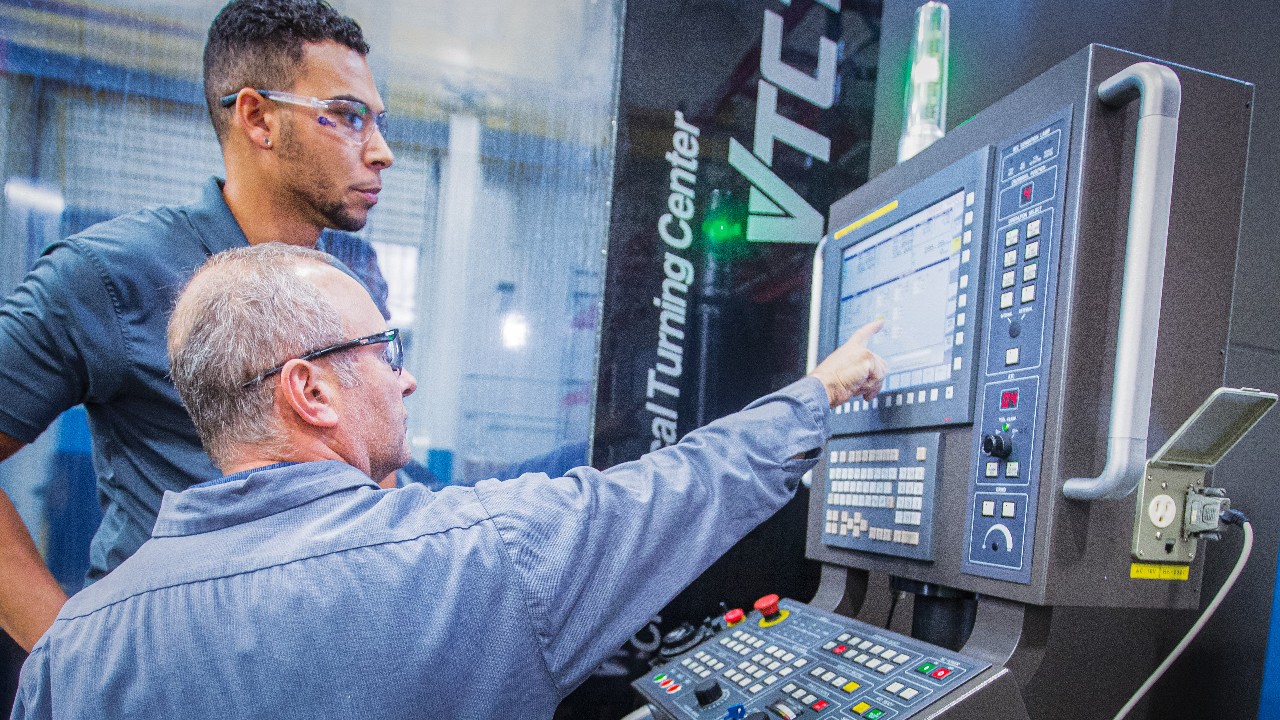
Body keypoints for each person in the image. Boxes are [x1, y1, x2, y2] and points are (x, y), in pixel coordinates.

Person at [11, 244, 887, 719]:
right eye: (384, 351)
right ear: (308, 389)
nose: (406, 379)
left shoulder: (70, 652)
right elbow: (691, 484)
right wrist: (823, 391)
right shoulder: (477, 557)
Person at [0, 0, 394, 651]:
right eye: (349, 117)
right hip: (165, 673)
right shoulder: (108, 274)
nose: (380, 152)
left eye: (379, 121)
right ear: (257, 118)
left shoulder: (357, 283)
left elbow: (374, 470)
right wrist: (66, 655)